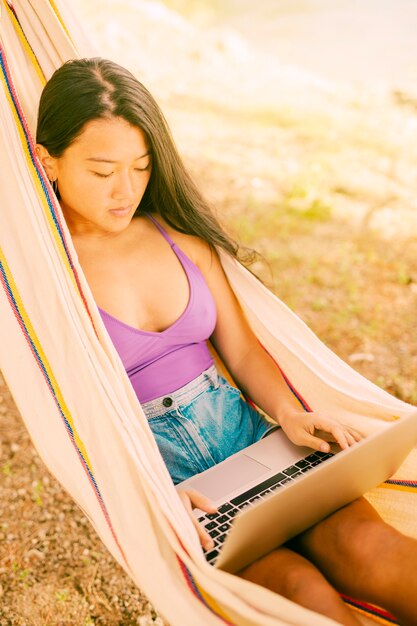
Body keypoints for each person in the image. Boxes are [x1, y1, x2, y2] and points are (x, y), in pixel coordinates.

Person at [35, 57, 417, 626]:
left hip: (260, 446)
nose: (126, 190)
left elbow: (240, 352)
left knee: (380, 554)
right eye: (102, 171)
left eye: (140, 167)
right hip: (182, 488)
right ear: (49, 162)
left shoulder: (180, 240)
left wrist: (289, 413)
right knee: (304, 601)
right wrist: (150, 498)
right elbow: (75, 422)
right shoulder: (43, 281)